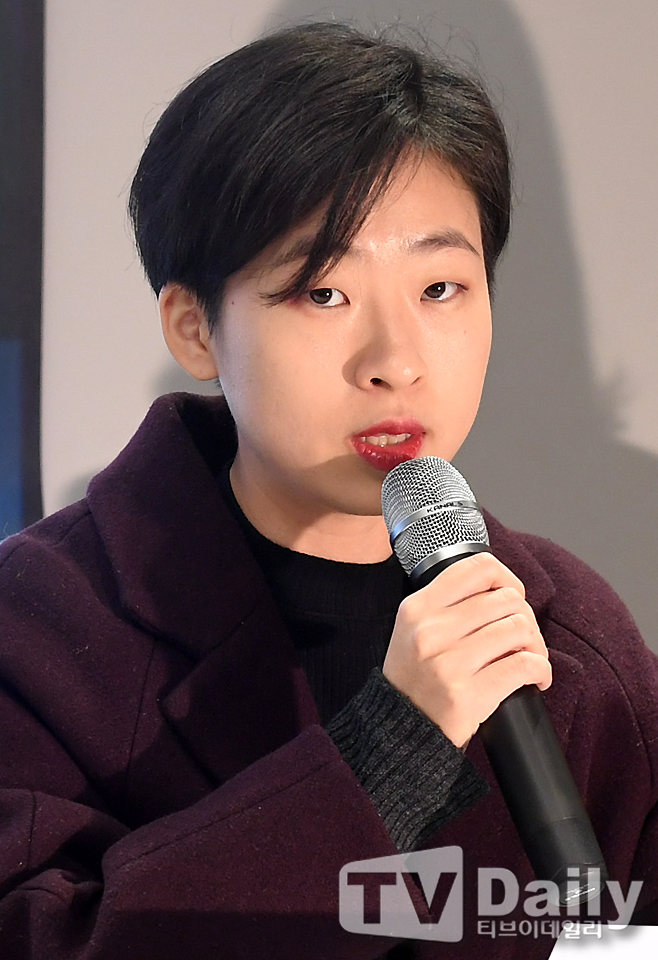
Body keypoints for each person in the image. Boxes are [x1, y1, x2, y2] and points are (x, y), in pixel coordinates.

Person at [0, 21, 656, 960]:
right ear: (194, 328)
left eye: (440, 289)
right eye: (324, 293)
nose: (395, 362)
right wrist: (390, 754)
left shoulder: (572, 636)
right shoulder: (40, 627)